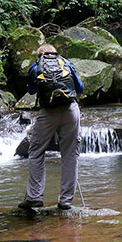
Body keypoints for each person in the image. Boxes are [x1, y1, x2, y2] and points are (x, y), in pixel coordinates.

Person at [18, 44, 84, 210]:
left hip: (48, 113)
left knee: (36, 151)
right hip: (70, 110)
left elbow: (32, 91)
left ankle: (34, 197)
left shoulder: (36, 66)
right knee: (70, 154)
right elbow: (80, 88)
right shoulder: (66, 63)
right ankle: (66, 201)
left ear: (40, 54)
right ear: (55, 53)